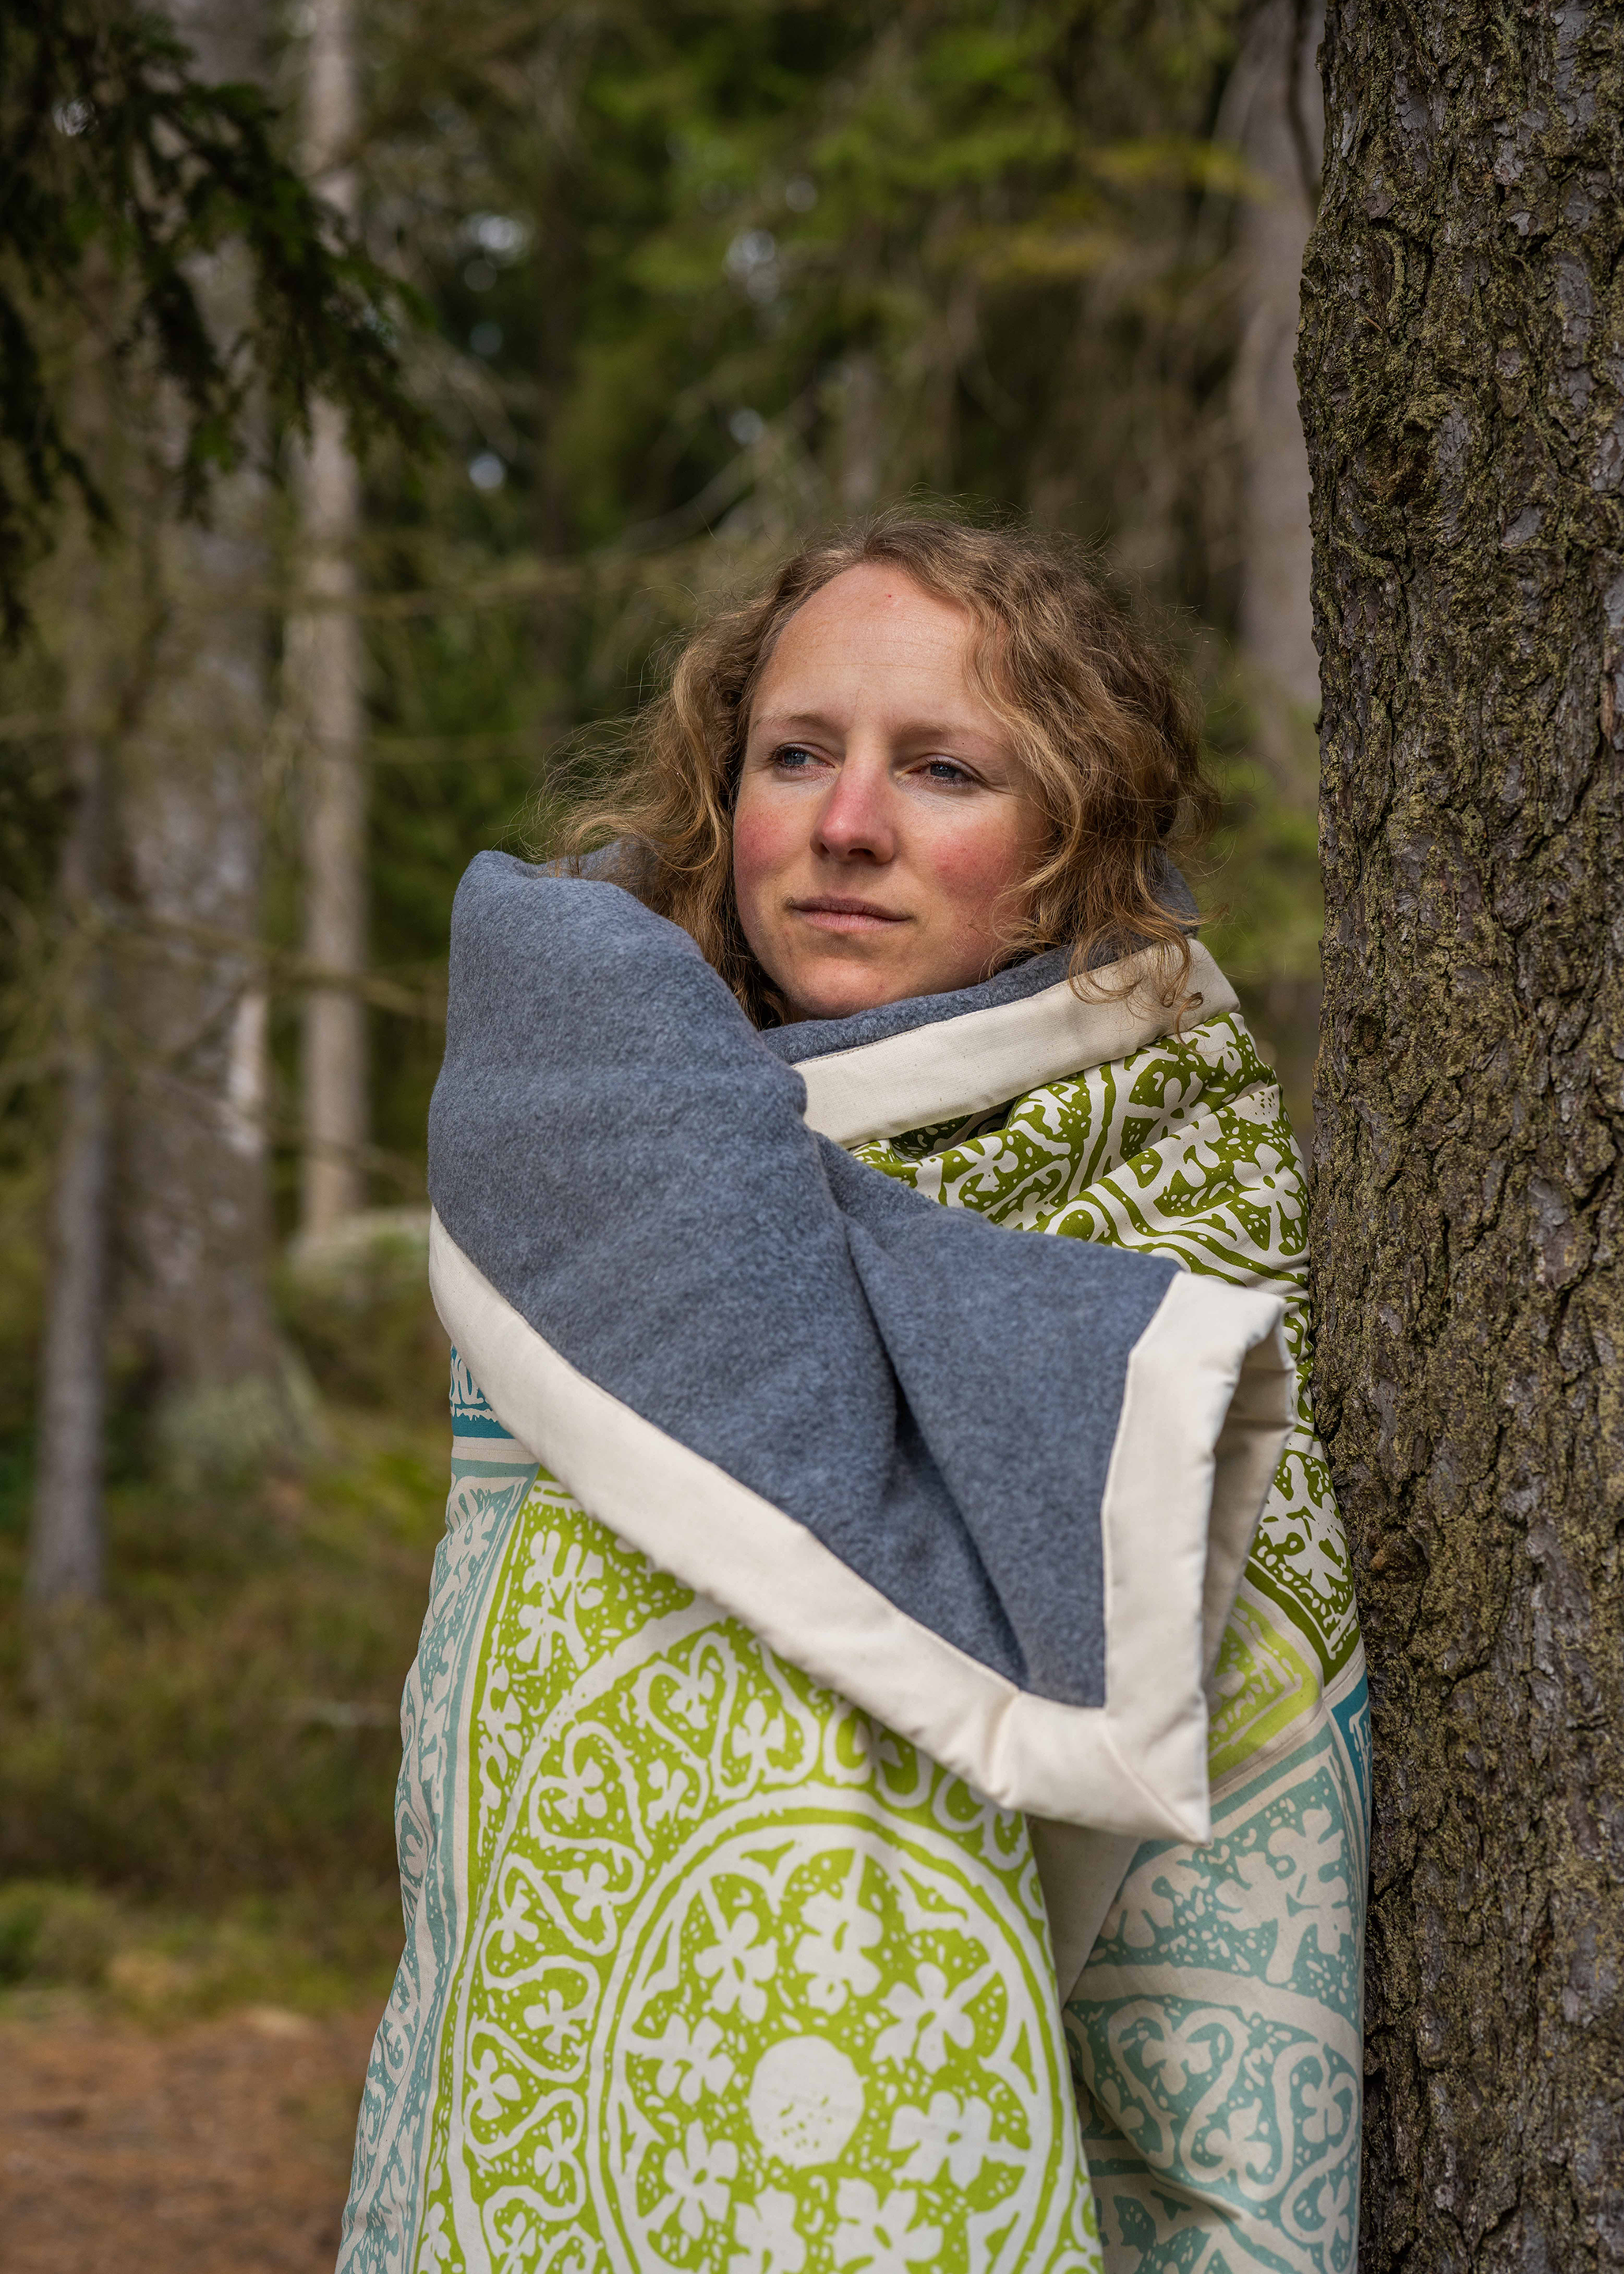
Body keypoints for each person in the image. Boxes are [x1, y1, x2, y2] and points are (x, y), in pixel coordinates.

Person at [339, 517, 1366, 2274]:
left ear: (1072, 844)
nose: (845, 824)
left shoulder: (1172, 1266)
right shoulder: (578, 1171)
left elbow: (1238, 1952)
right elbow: (486, 1838)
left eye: (942, 767)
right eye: (794, 753)